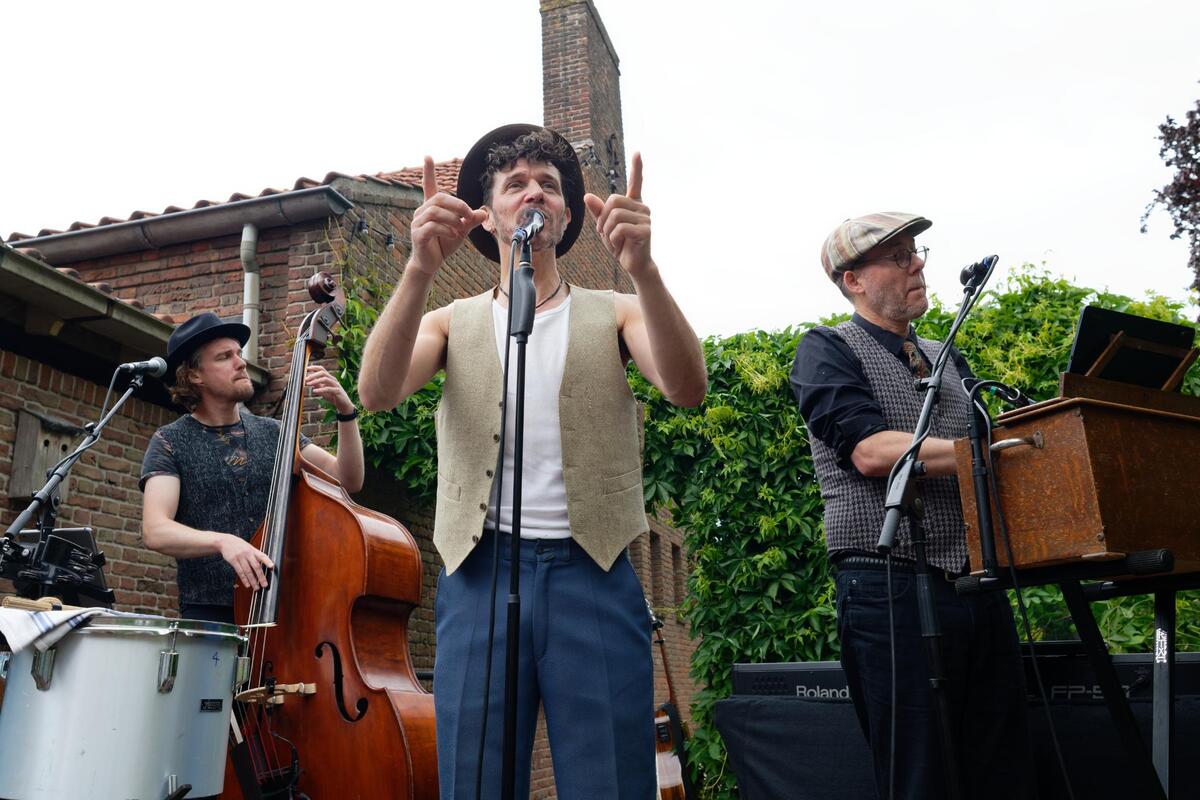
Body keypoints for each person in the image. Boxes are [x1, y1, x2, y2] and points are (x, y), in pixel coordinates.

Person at [357, 123, 707, 799]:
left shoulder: (618, 311)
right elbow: (375, 393)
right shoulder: (451, 320)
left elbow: (687, 388)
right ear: (487, 215)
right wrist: (419, 269)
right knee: (476, 780)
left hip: (593, 572)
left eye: (548, 183)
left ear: (568, 216)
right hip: (480, 574)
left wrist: (645, 270)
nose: (534, 192)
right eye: (514, 183)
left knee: (610, 782)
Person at [790, 213, 1035, 799]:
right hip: (888, 586)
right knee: (918, 774)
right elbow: (871, 451)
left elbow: (987, 441)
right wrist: (983, 453)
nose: (918, 264)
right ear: (853, 280)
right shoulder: (826, 348)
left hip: (977, 583)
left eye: (916, 251)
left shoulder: (947, 357)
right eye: (898, 256)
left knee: (1004, 772)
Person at [140, 312, 365, 624]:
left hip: (286, 611)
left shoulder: (276, 433)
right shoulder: (170, 441)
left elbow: (347, 479)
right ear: (194, 375)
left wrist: (346, 412)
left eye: (239, 353)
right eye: (225, 357)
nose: (241, 363)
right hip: (211, 618)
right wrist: (222, 541)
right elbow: (155, 530)